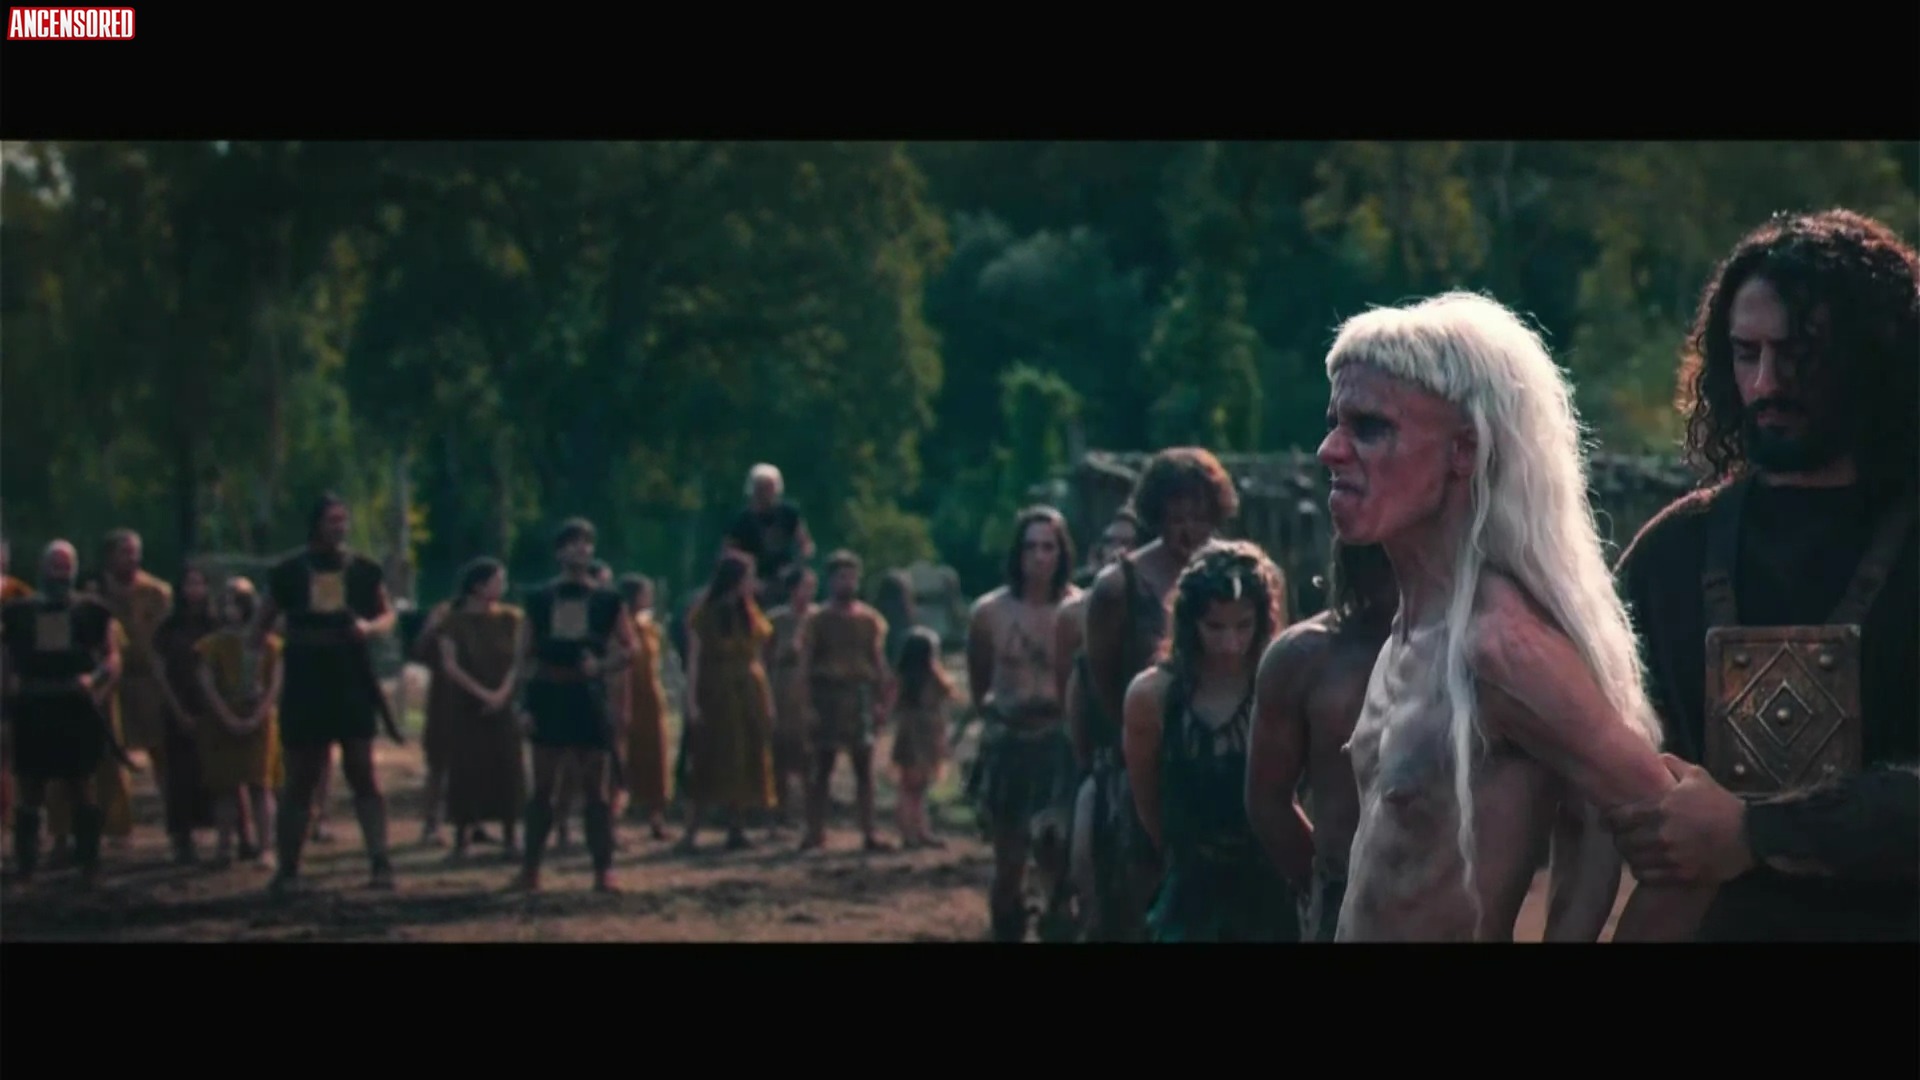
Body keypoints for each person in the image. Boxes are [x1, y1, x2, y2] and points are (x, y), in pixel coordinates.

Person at [1317, 291, 1713, 941]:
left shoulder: (1500, 648)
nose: (1330, 450)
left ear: (1463, 452)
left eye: (1369, 427)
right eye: (1334, 422)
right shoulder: (1418, 624)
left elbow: (1685, 847)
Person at [1607, 209, 1918, 941]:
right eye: (1746, 354)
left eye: (1799, 355)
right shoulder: (1671, 556)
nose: (1766, 383)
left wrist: (1757, 833)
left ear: (1873, 359)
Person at [1081, 448, 1238, 941]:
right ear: (1156, 515)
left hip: (1225, 765)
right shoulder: (1118, 588)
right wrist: (1145, 744)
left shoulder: (1243, 576)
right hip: (1146, 764)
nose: (1188, 529)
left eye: (1198, 515)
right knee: (1140, 903)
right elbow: (1103, 684)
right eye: (1176, 516)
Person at [1123, 540, 1297, 941]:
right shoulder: (1152, 697)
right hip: (1191, 887)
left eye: (1243, 626)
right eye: (1215, 627)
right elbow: (1148, 800)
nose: (1230, 643)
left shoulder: (1281, 688)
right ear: (1190, 622)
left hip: (1270, 887)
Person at [1245, 541, 1395, 941]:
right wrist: (1328, 887)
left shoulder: (1476, 647)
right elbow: (1268, 801)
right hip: (1345, 898)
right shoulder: (1304, 657)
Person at [255, 493, 402, 898]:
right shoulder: (288, 571)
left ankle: (380, 861)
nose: (340, 527)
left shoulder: (364, 570)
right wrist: (263, 664)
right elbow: (261, 625)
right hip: (306, 680)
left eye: (343, 520)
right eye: (332, 520)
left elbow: (386, 615)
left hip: (350, 677)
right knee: (300, 776)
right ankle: (288, 868)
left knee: (361, 770)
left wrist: (368, 629)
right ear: (316, 524)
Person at [965, 505, 1080, 942]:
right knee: (1008, 861)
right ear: (1017, 552)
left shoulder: (1080, 610)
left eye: (1048, 547)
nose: (1039, 557)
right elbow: (980, 685)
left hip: (1060, 744)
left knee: (1057, 855)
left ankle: (1058, 925)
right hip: (1010, 743)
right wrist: (1001, 720)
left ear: (1062, 553)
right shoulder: (989, 612)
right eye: (1031, 547)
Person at [510, 520, 636, 892]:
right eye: (572, 543)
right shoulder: (539, 598)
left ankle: (603, 869)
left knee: (596, 789)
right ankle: (530, 868)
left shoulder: (608, 599)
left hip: (587, 696)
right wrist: (522, 704)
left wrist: (602, 665)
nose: (579, 549)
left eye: (585, 543)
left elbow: (630, 648)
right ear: (559, 552)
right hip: (549, 694)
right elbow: (524, 655)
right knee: (543, 787)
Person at [2, 540, 121, 887]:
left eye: (65, 565)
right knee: (30, 788)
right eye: (54, 565)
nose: (59, 572)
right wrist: (8, 687)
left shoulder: (92, 611)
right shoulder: (18, 612)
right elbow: (6, 655)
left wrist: (94, 679)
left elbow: (111, 656)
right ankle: (26, 865)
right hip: (33, 704)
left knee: (82, 786)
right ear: (42, 568)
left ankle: (89, 864)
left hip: (74, 706)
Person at [1058, 506, 1144, 933]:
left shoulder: (1174, 610)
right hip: (1105, 764)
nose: (1120, 551)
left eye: (1130, 542)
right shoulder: (1077, 614)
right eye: (1112, 541)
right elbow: (1072, 694)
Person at [678, 550, 778, 852]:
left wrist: (768, 699)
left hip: (748, 689)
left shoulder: (750, 612)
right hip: (716, 691)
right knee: (709, 758)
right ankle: (691, 832)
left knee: (746, 755)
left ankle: (737, 827)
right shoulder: (704, 614)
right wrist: (691, 702)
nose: (752, 583)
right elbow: (694, 660)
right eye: (748, 577)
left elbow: (758, 656)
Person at [795, 550, 892, 852]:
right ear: (831, 580)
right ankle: (815, 831)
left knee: (864, 768)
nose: (847, 582)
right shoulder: (817, 619)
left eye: (851, 576)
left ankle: (869, 831)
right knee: (822, 767)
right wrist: (806, 704)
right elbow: (805, 664)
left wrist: (882, 700)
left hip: (858, 692)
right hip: (827, 693)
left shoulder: (869, 619)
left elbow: (878, 661)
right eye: (841, 577)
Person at [435, 558, 525, 863]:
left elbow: (519, 660)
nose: (503, 586)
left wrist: (502, 694)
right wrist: (482, 693)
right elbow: (450, 665)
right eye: (497, 581)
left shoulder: (511, 618)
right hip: (466, 706)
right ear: (478, 586)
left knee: (508, 766)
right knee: (466, 767)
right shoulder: (454, 622)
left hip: (504, 703)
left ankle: (511, 837)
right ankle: (462, 839)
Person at [193, 577, 283, 869]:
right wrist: (226, 716)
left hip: (260, 720)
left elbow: (274, 684)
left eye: (238, 601)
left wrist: (258, 716)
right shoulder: (210, 645)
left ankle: (266, 847)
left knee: (260, 785)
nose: (231, 608)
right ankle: (223, 847)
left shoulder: (270, 644)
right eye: (227, 601)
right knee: (225, 787)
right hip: (222, 721)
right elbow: (206, 684)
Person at [149, 565, 220, 864]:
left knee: (219, 773)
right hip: (178, 705)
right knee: (179, 775)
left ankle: (230, 837)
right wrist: (177, 709)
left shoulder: (215, 625)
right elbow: (159, 670)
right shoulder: (169, 628)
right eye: (190, 583)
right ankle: (182, 839)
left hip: (213, 707)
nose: (195, 590)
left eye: (200, 583)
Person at [763, 562, 817, 830]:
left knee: (810, 755)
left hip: (811, 691)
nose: (808, 592)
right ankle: (779, 812)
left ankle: (811, 814)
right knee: (780, 754)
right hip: (783, 688)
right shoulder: (776, 620)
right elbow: (765, 656)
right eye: (804, 587)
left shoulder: (818, 617)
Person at [618, 573, 672, 841]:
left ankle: (656, 817)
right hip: (625, 693)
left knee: (655, 756)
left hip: (650, 695)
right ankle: (615, 819)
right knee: (621, 756)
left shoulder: (650, 627)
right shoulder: (619, 626)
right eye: (644, 593)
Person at [890, 627, 953, 849]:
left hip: (912, 732)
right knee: (915, 787)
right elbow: (948, 692)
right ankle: (914, 831)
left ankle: (915, 830)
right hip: (924, 733)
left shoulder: (903, 679)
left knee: (911, 786)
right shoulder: (932, 678)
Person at [723, 463, 816, 607]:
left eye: (769, 488)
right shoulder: (742, 520)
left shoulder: (789, 513)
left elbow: (806, 544)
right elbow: (729, 552)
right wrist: (748, 577)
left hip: (786, 576)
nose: (765, 493)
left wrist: (796, 567)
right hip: (753, 578)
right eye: (761, 488)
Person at [411, 594, 457, 846]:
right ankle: (431, 823)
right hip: (444, 702)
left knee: (475, 764)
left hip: (472, 702)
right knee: (438, 766)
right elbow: (421, 651)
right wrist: (433, 625)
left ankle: (471, 823)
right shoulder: (442, 622)